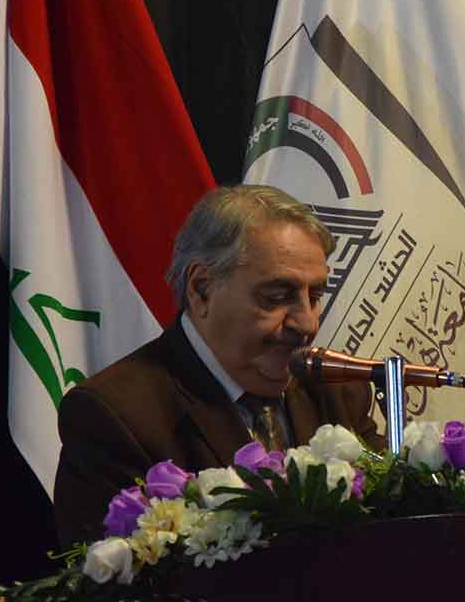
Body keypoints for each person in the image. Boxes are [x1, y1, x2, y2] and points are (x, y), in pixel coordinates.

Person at [53, 185, 385, 547]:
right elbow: (108, 570)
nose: (307, 323)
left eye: (315, 296)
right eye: (277, 297)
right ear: (201, 289)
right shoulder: (114, 416)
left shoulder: (337, 387)